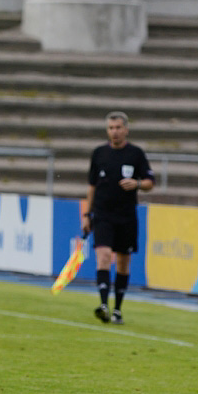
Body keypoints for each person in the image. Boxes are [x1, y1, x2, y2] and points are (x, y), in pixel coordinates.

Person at [81, 112, 154, 325]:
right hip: (103, 215)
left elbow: (150, 181)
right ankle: (104, 305)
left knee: (123, 263)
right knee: (103, 256)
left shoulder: (136, 154)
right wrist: (87, 213)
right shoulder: (99, 154)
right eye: (111, 128)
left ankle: (118, 309)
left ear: (126, 129)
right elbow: (92, 186)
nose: (114, 131)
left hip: (127, 216)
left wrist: (138, 184)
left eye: (118, 127)